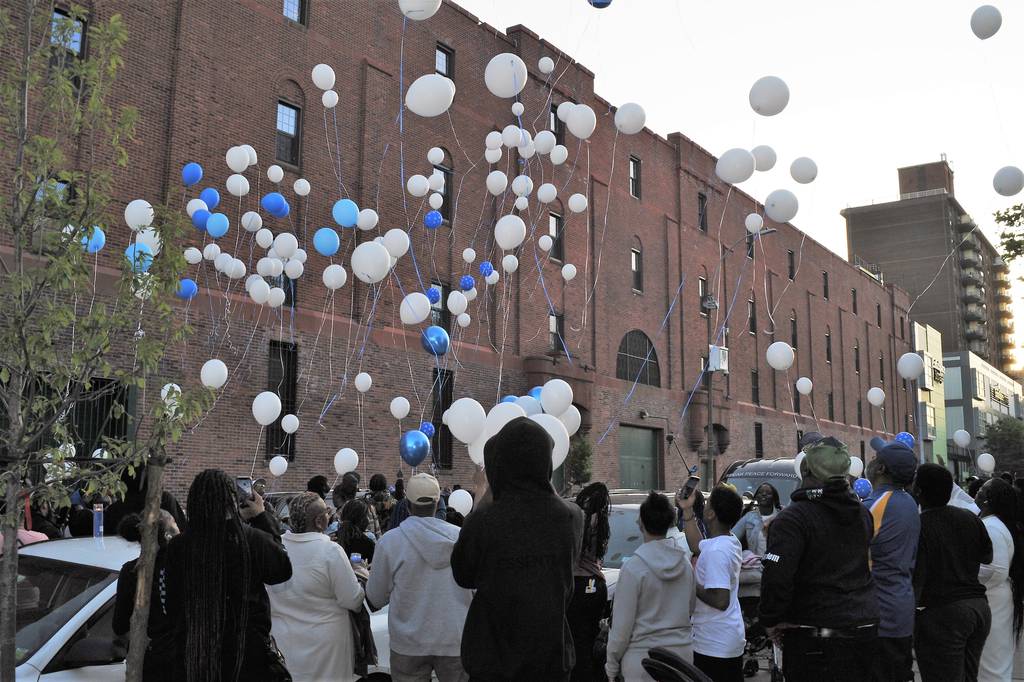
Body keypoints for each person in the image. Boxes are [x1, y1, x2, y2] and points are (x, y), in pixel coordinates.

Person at [451, 417, 583, 681]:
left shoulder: (485, 519)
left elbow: (463, 574)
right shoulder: (571, 517)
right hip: (550, 658)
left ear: (499, 465)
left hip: (493, 659)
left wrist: (489, 491)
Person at [759, 437, 878, 681]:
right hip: (864, 630)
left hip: (815, 639)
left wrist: (771, 620)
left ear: (806, 471)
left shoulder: (793, 519)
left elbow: (777, 577)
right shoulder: (862, 514)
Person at [166, 469, 293, 682]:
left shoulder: (179, 546)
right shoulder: (250, 539)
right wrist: (261, 517)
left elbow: (171, 603)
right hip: (246, 655)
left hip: (195, 655)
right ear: (231, 500)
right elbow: (281, 569)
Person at [367, 473, 472, 682]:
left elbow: (375, 597)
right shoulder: (462, 538)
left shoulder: (390, 542)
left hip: (409, 642)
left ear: (407, 504)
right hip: (454, 637)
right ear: (437, 503)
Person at [269, 491, 365, 682]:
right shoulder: (330, 551)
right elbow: (352, 599)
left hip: (285, 641)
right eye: (327, 513)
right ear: (320, 521)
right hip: (326, 646)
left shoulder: (275, 547)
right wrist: (361, 577)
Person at [912, 463, 993, 682]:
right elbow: (987, 557)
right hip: (978, 609)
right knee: (969, 676)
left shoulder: (919, 526)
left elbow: (916, 572)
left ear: (918, 491)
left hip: (943, 613)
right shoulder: (970, 518)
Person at [606, 491, 696, 681]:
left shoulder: (633, 568)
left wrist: (612, 666)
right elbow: (690, 608)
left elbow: (621, 630)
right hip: (682, 661)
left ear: (641, 523)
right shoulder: (685, 564)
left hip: (643, 661)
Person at [862, 440, 920, 682]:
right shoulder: (909, 503)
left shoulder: (873, 506)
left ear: (881, 469)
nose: (871, 461)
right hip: (901, 610)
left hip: (878, 614)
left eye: (876, 458)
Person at [679, 485, 745, 682]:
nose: (705, 506)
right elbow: (697, 546)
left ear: (710, 514)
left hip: (715, 644)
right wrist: (687, 510)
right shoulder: (727, 541)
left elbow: (720, 600)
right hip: (723, 639)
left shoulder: (717, 551)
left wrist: (691, 583)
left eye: (707, 504)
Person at [112, 511, 180, 681]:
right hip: (180, 660)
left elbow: (119, 626)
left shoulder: (131, 571)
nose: (180, 530)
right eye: (176, 525)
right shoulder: (186, 567)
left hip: (148, 661)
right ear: (168, 535)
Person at [975, 478, 1024, 682]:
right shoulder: (991, 523)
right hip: (994, 598)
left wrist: (966, 572)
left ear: (988, 499)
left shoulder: (992, 528)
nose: (977, 491)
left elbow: (996, 569)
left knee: (991, 664)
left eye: (983, 489)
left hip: (993, 600)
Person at [567, 482, 611, 682]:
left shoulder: (580, 519)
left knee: (576, 639)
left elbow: (573, 555)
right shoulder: (603, 523)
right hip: (597, 584)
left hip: (578, 585)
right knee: (591, 635)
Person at [731, 483, 781, 556]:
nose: (764, 494)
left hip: (776, 564)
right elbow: (733, 537)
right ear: (756, 497)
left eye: (768, 493)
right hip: (756, 565)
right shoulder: (749, 517)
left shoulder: (781, 517)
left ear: (774, 498)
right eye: (760, 492)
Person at [336, 498, 376, 563]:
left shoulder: (332, 538)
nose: (369, 519)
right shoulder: (368, 544)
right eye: (367, 515)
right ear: (362, 519)